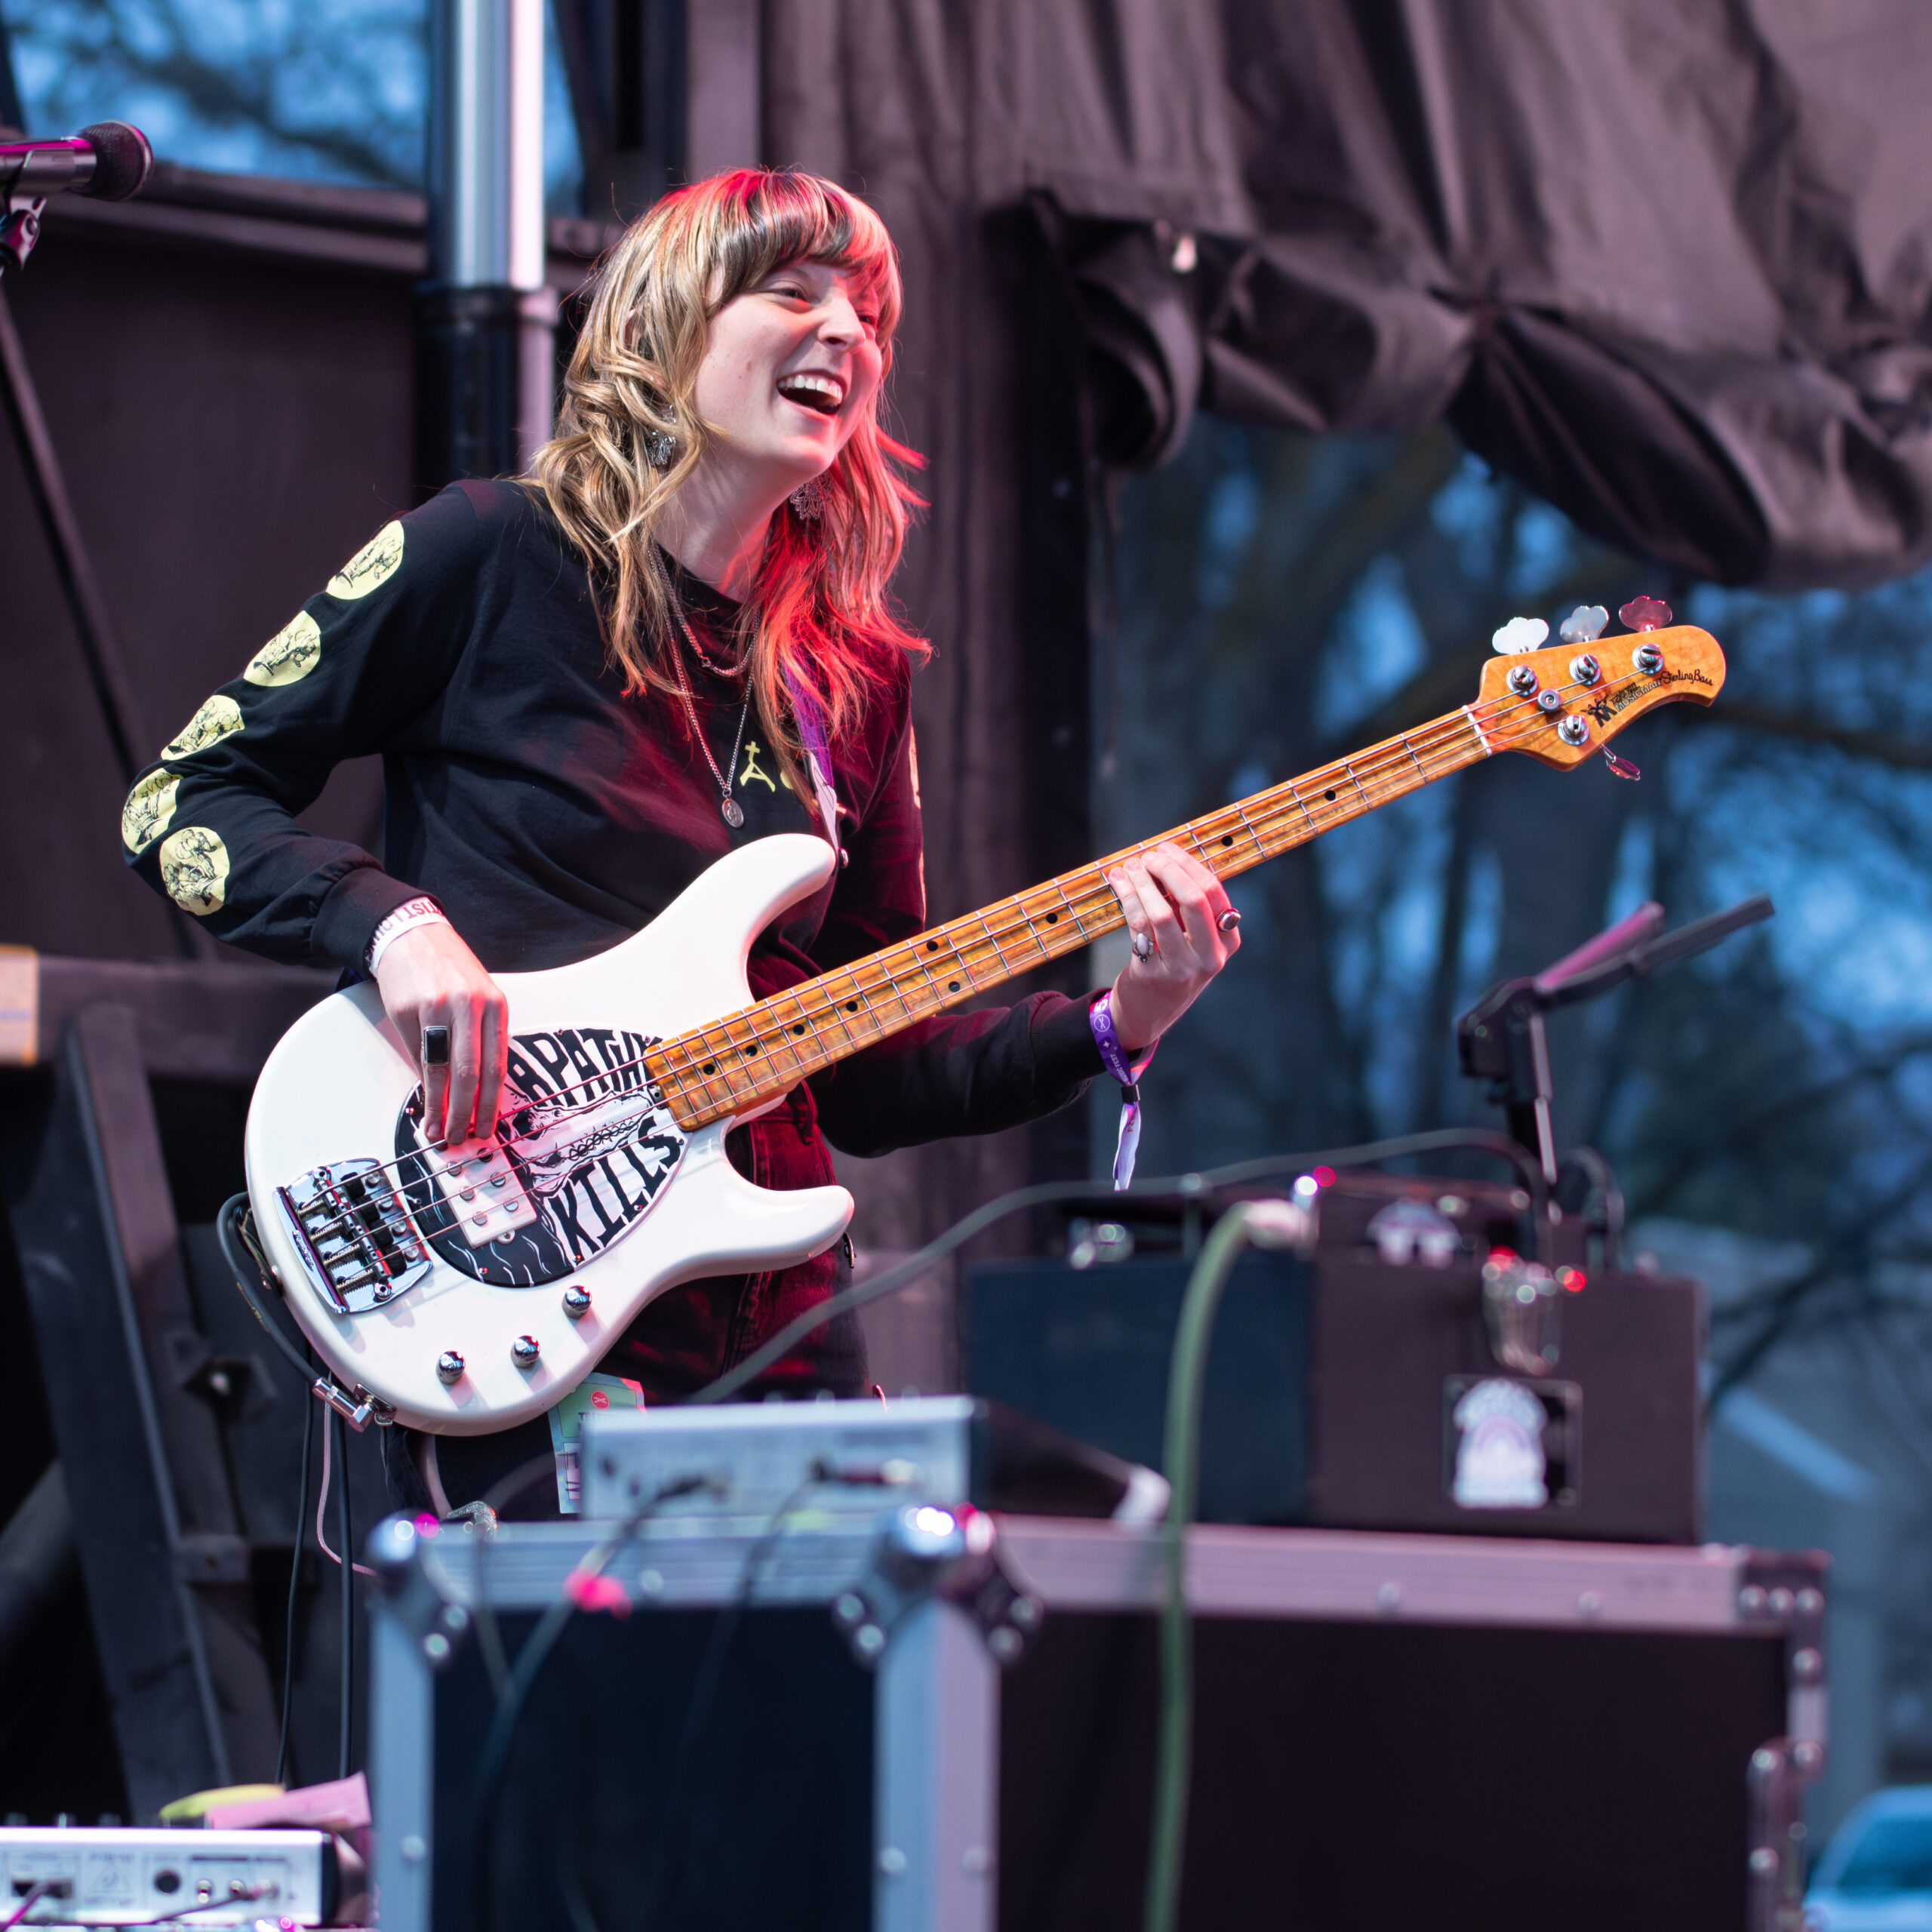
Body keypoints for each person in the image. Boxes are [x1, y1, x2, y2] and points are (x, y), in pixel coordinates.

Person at [120, 168, 1238, 1512]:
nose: (848, 335)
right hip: (503, 1284)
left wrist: (1122, 1016)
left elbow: (868, 1060)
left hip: (779, 1329)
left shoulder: (858, 680)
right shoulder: (488, 554)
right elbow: (178, 803)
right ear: (666, 325)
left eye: (871, 315)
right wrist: (390, 922)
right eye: (793, 292)